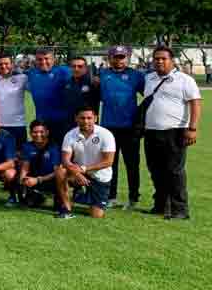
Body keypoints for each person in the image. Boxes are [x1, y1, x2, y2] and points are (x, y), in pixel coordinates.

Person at [142, 46, 201, 219]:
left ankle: (180, 210)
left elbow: (195, 103)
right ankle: (161, 205)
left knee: (175, 171)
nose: (159, 61)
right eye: (156, 58)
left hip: (175, 131)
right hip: (151, 131)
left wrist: (192, 128)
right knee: (155, 170)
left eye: (163, 58)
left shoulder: (185, 80)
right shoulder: (149, 78)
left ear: (172, 60)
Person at [96, 45, 145, 209]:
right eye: (116, 57)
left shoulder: (136, 76)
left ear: (128, 57)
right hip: (108, 127)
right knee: (109, 164)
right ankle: (111, 196)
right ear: (109, 58)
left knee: (132, 163)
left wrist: (142, 120)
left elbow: (149, 97)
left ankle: (133, 198)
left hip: (130, 127)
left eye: (122, 57)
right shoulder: (102, 75)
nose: (119, 60)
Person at [56, 106, 116, 219]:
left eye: (89, 118)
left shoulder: (106, 134)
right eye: (82, 118)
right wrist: (77, 173)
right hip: (78, 173)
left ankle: (82, 197)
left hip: (100, 177)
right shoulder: (70, 135)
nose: (86, 121)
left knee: (96, 215)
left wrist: (83, 169)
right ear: (76, 119)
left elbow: (108, 162)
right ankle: (66, 209)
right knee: (60, 171)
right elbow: (65, 160)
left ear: (96, 118)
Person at [25, 49, 72, 145]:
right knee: (43, 150)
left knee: (61, 149)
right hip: (41, 121)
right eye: (39, 59)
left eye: (47, 59)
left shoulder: (63, 71)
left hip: (61, 121)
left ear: (53, 60)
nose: (43, 62)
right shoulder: (32, 73)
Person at [0, 55, 28, 149]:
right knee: (0, 156)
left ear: (12, 65)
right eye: (1, 64)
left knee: (19, 156)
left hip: (18, 124)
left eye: (6, 64)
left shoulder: (23, 78)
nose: (4, 66)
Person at [18, 120, 60, 209]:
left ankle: (58, 197)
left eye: (41, 132)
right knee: (29, 203)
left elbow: (57, 172)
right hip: (34, 179)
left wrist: (38, 180)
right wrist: (22, 182)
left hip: (51, 180)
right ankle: (36, 196)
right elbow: (25, 167)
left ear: (47, 132)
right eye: (35, 132)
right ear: (30, 133)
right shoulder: (27, 146)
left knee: (58, 207)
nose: (38, 135)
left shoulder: (54, 147)